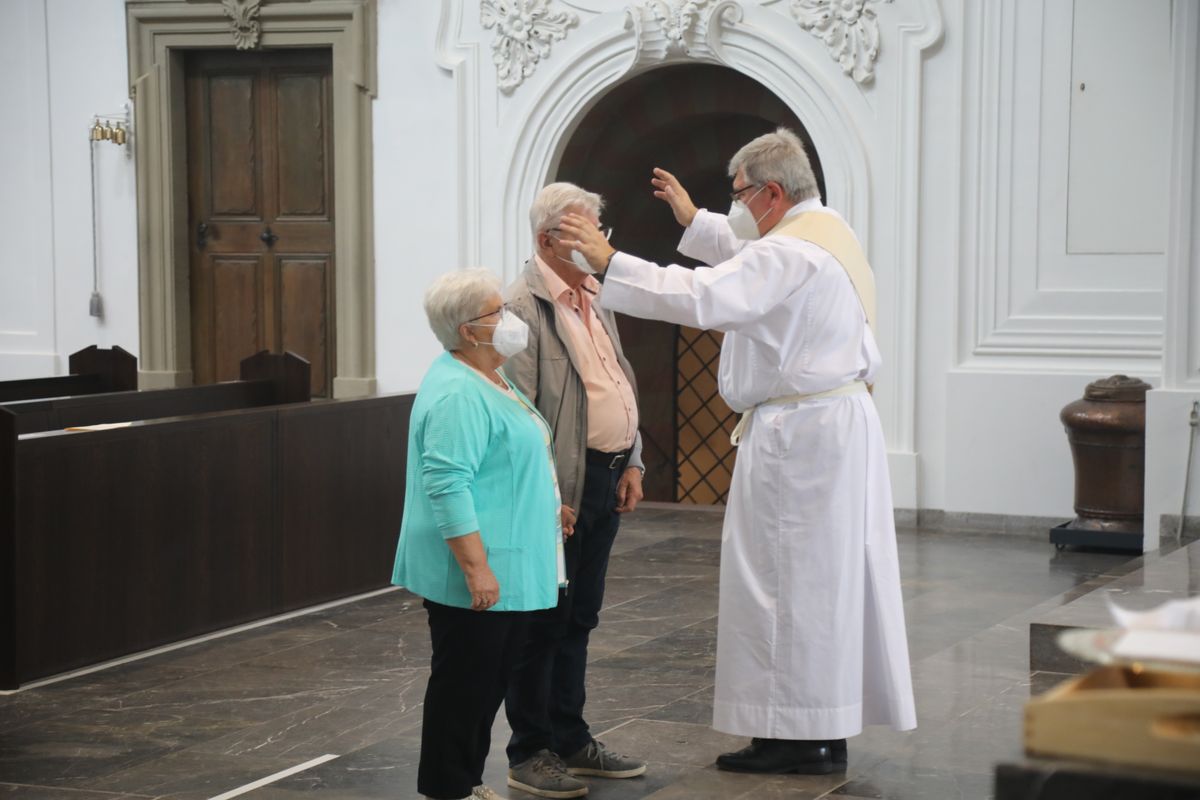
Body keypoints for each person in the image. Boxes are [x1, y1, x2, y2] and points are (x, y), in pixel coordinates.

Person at [556, 128, 917, 775]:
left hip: (798, 443)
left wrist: (611, 262)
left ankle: (794, 737)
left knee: (783, 583)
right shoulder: (826, 232)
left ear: (773, 193)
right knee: (821, 584)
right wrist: (697, 222)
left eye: (741, 195)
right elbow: (751, 256)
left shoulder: (788, 254)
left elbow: (706, 295)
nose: (737, 207)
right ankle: (819, 727)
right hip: (832, 428)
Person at [392, 268, 574, 800]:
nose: (510, 318)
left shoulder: (489, 375)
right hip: (478, 565)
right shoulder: (457, 392)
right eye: (498, 311)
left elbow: (505, 457)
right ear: (468, 330)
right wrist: (476, 569)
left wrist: (548, 506)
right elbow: (448, 485)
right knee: (465, 686)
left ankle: (464, 783)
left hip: (509, 555)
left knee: (486, 682)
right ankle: (448, 788)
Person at [501, 183, 648, 798]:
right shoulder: (520, 309)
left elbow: (617, 378)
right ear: (547, 241)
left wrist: (633, 460)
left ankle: (570, 737)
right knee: (543, 619)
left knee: (580, 616)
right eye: (584, 233)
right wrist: (545, 497)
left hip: (606, 476)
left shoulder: (594, 292)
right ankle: (530, 750)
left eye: (598, 232)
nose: (597, 244)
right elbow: (520, 415)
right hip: (559, 488)